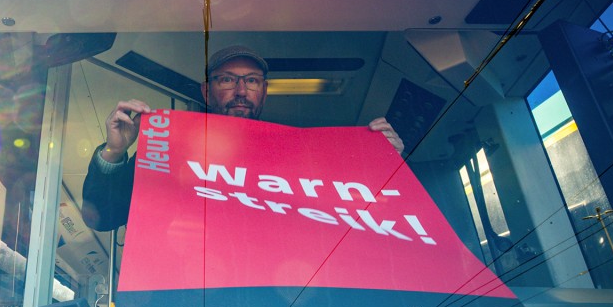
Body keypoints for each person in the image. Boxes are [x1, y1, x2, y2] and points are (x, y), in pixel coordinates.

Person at [81, 45, 405, 231]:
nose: (240, 91)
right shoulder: (172, 148)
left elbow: (362, 218)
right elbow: (104, 218)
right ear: (207, 91)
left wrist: (387, 166)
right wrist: (114, 151)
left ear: (263, 92)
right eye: (227, 80)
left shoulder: (298, 151)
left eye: (251, 81)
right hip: (193, 298)